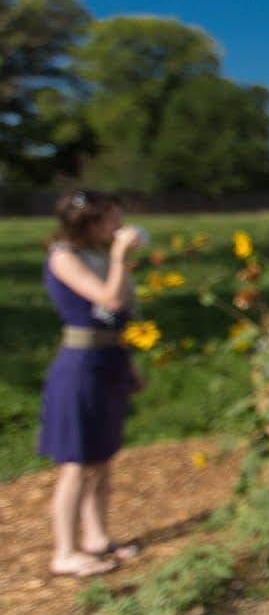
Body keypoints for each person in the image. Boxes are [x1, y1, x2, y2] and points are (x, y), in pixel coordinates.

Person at [38, 189, 145, 577]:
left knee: (100, 459)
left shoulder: (96, 255)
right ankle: (65, 552)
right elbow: (109, 300)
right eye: (111, 220)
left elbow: (116, 319)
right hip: (80, 366)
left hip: (108, 358)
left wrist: (129, 363)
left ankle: (96, 538)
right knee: (76, 463)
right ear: (88, 224)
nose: (118, 227)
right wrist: (119, 257)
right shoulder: (64, 257)